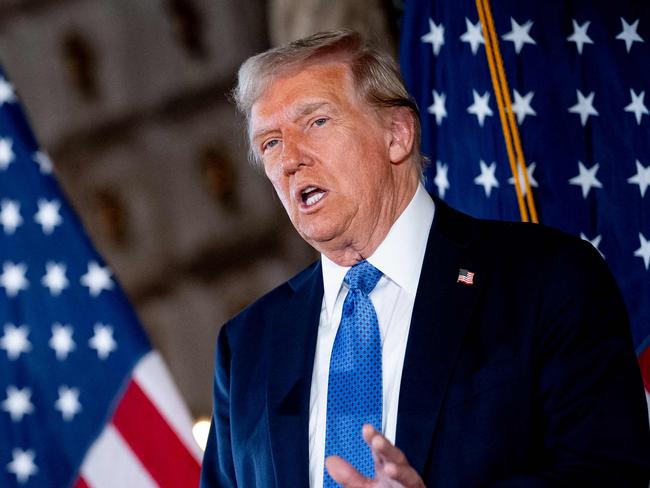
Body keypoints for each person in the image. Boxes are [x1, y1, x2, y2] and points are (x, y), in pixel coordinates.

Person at [200, 29, 650, 487]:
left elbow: (609, 475)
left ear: (397, 135)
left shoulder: (545, 279)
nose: (289, 160)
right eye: (270, 143)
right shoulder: (247, 345)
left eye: (315, 122)